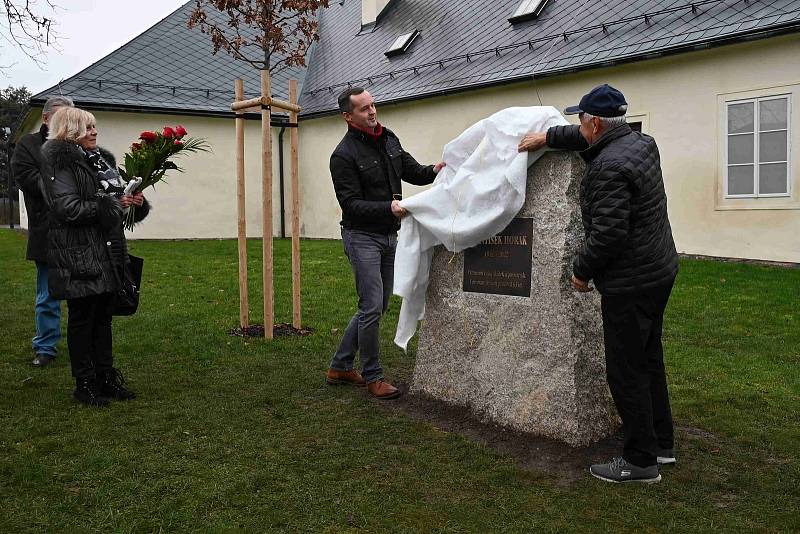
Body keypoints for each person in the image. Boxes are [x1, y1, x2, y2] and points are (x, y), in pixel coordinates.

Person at [518, 84, 679, 483]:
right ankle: (660, 444)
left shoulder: (607, 168)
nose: (580, 127)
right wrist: (549, 137)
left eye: (581, 121)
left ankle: (640, 461)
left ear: (593, 123)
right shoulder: (641, 142)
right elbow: (590, 137)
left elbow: (608, 235)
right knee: (648, 359)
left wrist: (580, 271)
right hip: (659, 270)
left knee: (625, 370)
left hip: (630, 281)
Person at [327, 87, 445, 400]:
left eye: (373, 105)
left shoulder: (388, 139)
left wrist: (437, 169)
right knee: (371, 307)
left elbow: (414, 172)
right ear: (347, 116)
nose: (372, 112)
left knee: (377, 305)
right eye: (364, 109)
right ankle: (372, 376)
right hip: (361, 237)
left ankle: (339, 365)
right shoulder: (343, 156)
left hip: (389, 236)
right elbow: (350, 205)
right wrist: (388, 208)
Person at [41, 107, 148, 406]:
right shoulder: (58, 163)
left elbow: (110, 202)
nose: (94, 132)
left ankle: (105, 378)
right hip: (77, 253)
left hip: (106, 251)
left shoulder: (99, 161)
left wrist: (132, 202)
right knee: (82, 318)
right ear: (71, 130)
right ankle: (84, 384)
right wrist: (112, 204)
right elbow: (68, 209)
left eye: (94, 127)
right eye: (88, 128)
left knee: (103, 317)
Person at [11, 96, 74, 367]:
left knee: (83, 293)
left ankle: (82, 344)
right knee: (48, 294)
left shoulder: (77, 144)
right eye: (62, 117)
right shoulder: (28, 145)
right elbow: (30, 181)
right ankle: (46, 347)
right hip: (47, 232)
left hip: (78, 233)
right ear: (46, 118)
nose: (67, 123)